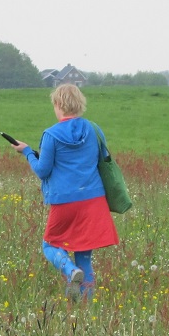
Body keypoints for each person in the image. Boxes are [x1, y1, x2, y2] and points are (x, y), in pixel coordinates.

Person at [12, 83, 118, 300]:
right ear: (79, 103)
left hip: (65, 200)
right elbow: (103, 160)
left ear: (58, 104)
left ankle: (70, 272)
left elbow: (43, 171)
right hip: (94, 199)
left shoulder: (51, 135)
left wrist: (27, 152)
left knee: (49, 245)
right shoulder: (94, 129)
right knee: (85, 255)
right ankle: (85, 310)